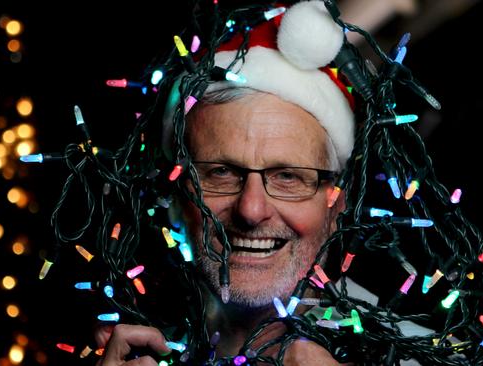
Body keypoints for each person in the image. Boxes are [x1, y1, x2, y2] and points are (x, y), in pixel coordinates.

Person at [95, 1, 355, 365]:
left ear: (336, 204)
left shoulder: (420, 354)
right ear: (173, 194)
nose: (251, 209)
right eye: (221, 173)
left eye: (287, 176)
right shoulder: (130, 346)